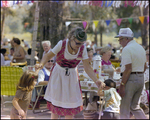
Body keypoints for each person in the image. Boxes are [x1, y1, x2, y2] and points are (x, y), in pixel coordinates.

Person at [35, 27, 105, 119]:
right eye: (77, 43)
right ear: (71, 38)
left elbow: (87, 67)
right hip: (58, 75)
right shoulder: (62, 44)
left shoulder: (82, 48)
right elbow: (48, 55)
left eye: (81, 43)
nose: (79, 45)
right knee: (55, 105)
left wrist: (96, 80)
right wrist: (41, 64)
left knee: (70, 106)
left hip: (72, 77)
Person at [115, 27, 147, 119]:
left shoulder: (126, 49)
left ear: (126, 39)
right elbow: (144, 66)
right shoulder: (141, 48)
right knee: (134, 106)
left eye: (120, 39)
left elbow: (128, 69)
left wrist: (122, 84)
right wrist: (138, 75)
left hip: (131, 79)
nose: (119, 42)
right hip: (141, 78)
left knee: (124, 108)